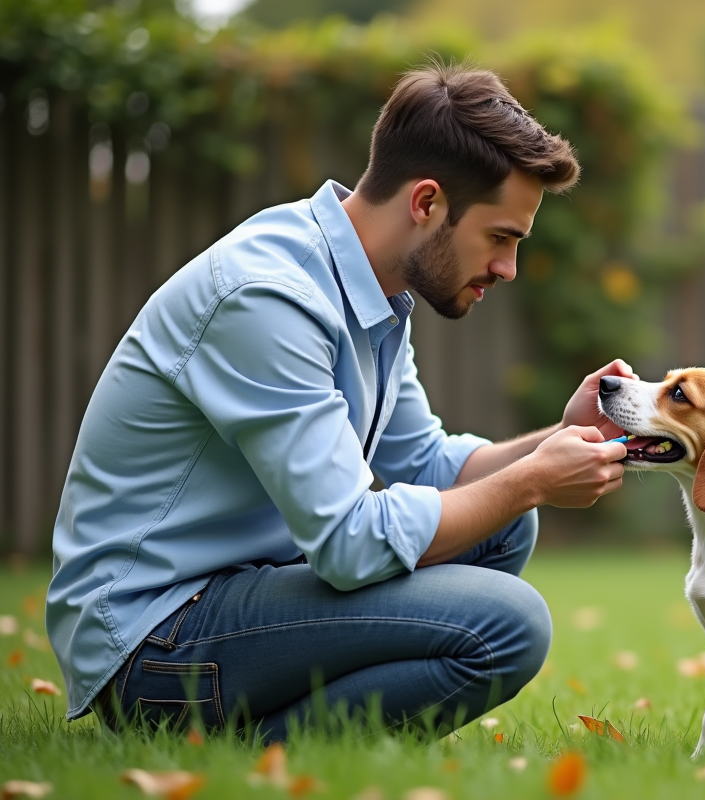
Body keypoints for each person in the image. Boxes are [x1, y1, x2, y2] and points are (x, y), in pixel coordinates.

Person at [46, 62, 634, 742]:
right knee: (510, 620)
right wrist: (531, 480)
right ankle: (252, 751)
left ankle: (286, 737)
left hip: (243, 593)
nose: (507, 268)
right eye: (500, 237)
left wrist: (555, 440)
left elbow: (425, 464)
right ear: (427, 204)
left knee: (505, 523)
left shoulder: (371, 286)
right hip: (154, 639)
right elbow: (348, 544)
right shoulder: (268, 298)